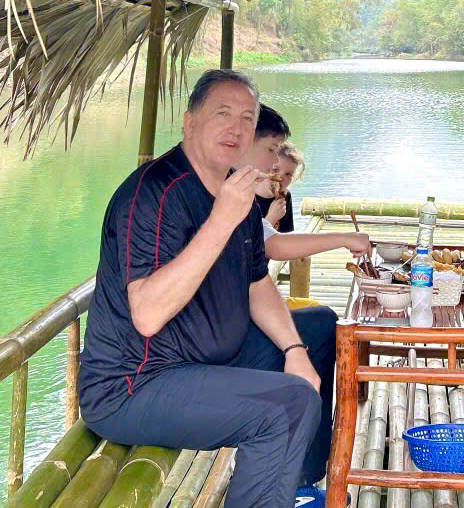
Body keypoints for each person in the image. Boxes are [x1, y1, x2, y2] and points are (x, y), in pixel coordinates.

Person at [77, 69, 337, 508]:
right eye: (223, 113)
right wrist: (221, 220)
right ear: (190, 122)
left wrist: (294, 350)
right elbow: (147, 314)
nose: (236, 128)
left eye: (248, 118)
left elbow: (257, 284)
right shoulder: (155, 194)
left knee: (319, 328)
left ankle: (297, 486)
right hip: (136, 384)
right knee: (289, 405)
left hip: (208, 357)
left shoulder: (234, 187)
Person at [240, 105, 371, 264]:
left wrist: (346, 238)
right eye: (270, 150)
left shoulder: (250, 194)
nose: (275, 162)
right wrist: (345, 238)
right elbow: (272, 245)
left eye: (289, 174)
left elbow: (275, 243)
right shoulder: (232, 194)